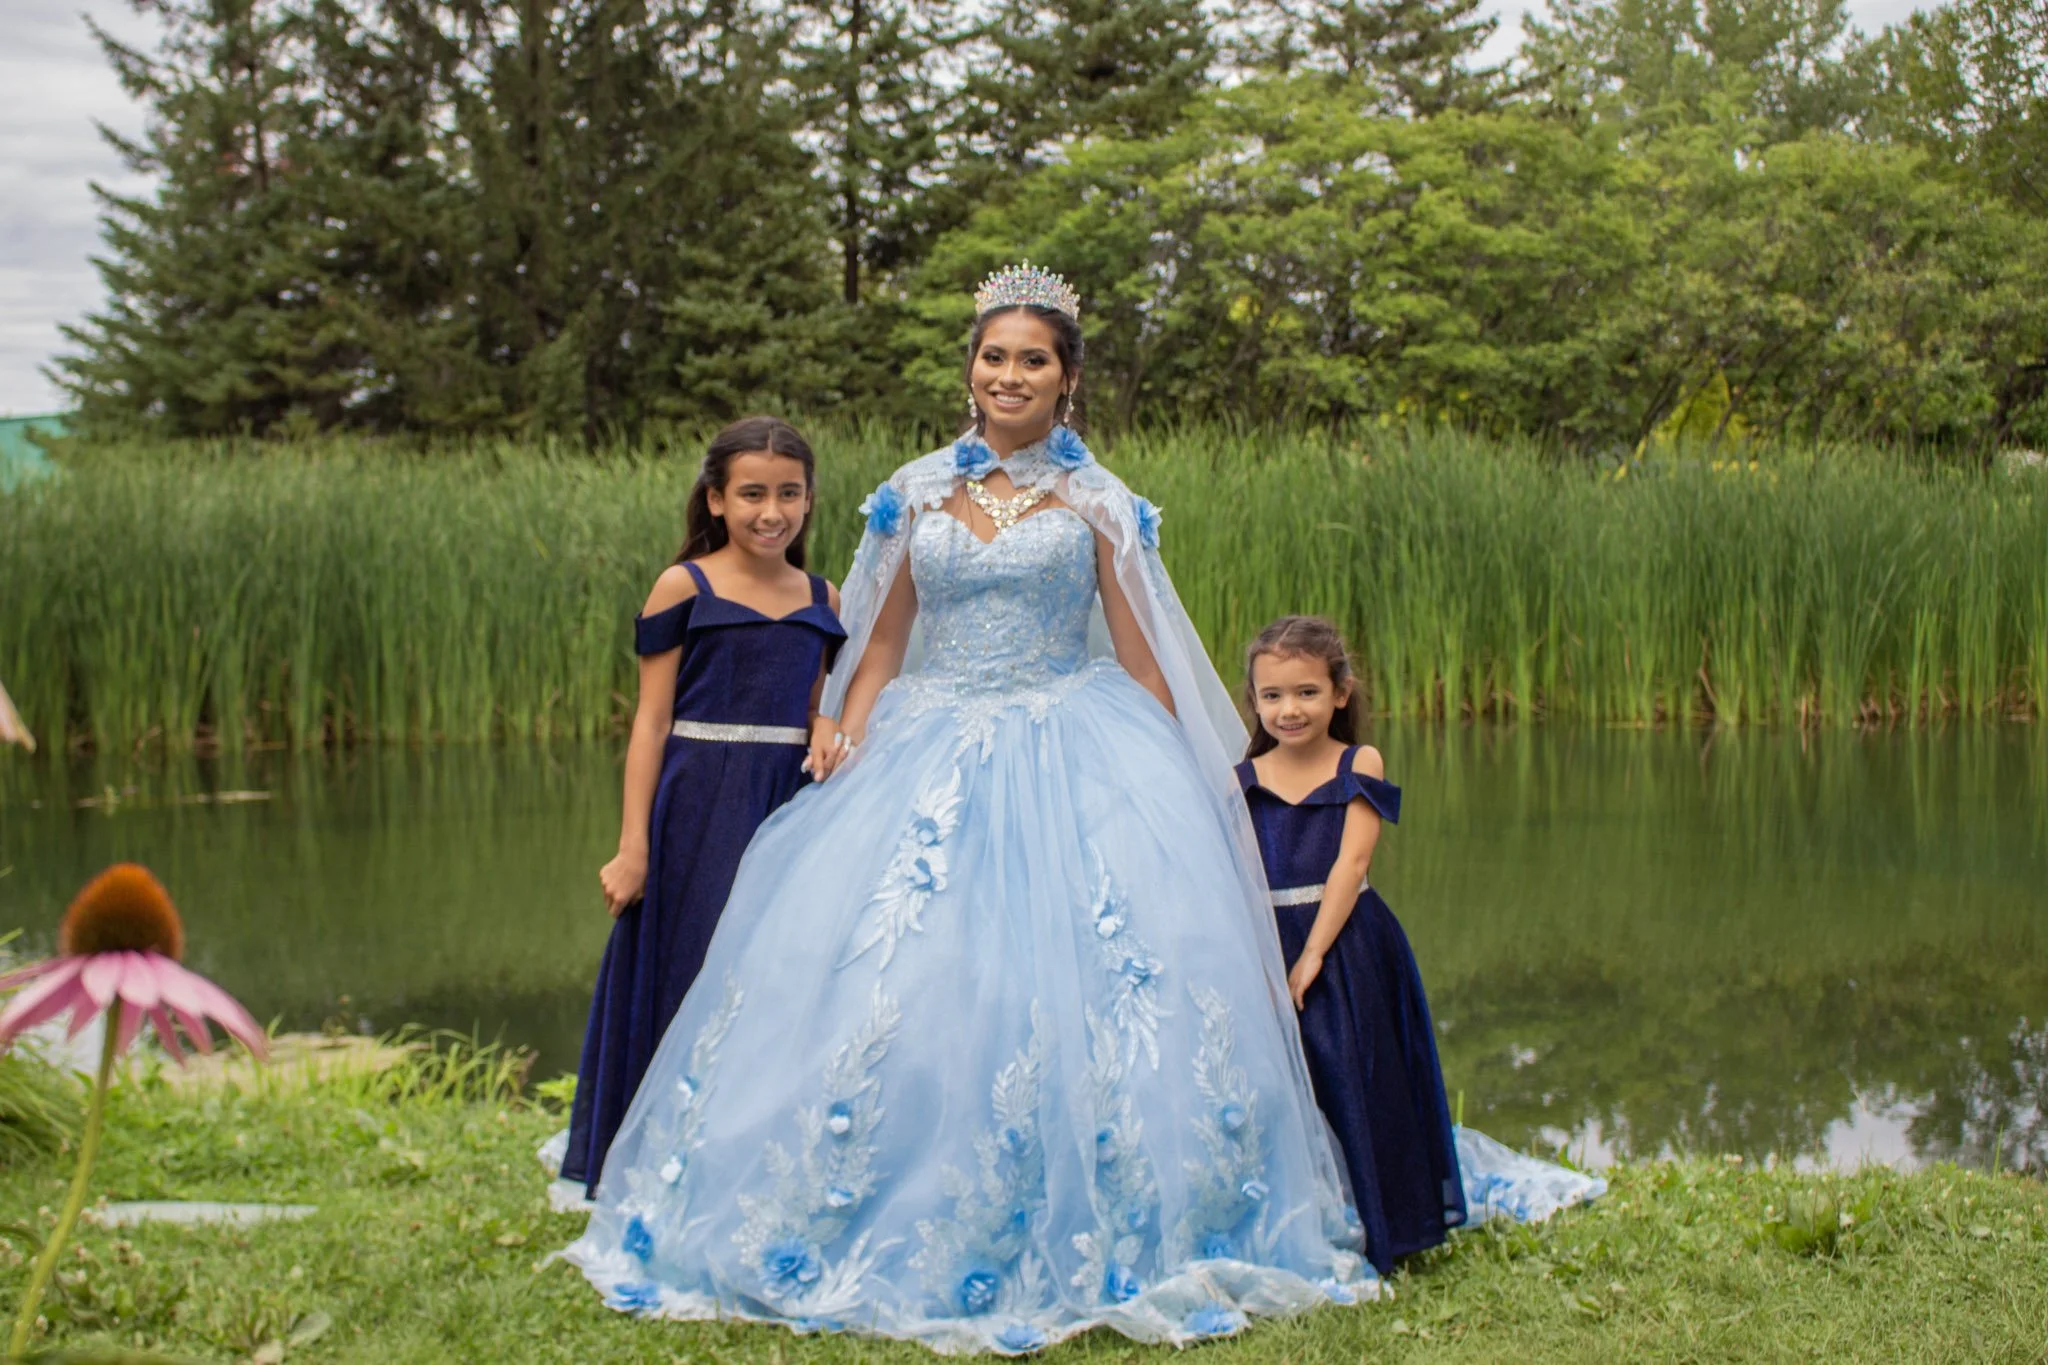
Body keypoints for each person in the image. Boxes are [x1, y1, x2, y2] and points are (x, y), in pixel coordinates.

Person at [562, 265, 1378, 1352]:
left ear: (1067, 380)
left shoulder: (1095, 501)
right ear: (970, 371)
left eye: (1031, 359)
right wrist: (850, 717)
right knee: (894, 968)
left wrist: (1183, 777)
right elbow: (885, 631)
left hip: (1070, 732)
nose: (1009, 375)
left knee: (1095, 969)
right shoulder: (913, 492)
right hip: (929, 733)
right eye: (993, 357)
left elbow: (1138, 655)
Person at [1236, 616, 1604, 1272]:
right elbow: (1238, 872)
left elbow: (1350, 865)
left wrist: (1314, 953)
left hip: (1345, 942)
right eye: (1272, 696)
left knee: (1357, 1076)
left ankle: (1391, 1226)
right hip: (1273, 939)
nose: (1289, 710)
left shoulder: (1358, 762)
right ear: (1254, 700)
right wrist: (1264, 958)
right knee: (1292, 1088)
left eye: (1306, 693)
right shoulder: (1244, 777)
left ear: (1341, 693)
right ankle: (1302, 1221)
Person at [557, 417, 846, 1198]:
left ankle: (748, 1155)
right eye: (751, 493)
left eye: (789, 494)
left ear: (810, 500)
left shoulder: (824, 598)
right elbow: (650, 721)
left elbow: (823, 706)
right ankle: (653, 1156)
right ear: (716, 499)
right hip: (696, 798)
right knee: (688, 965)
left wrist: (826, 729)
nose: (770, 511)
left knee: (771, 972)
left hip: (783, 802)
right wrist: (633, 847)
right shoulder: (686, 584)